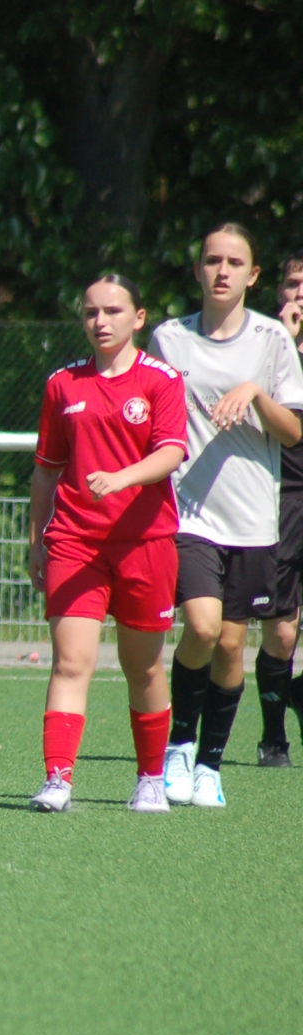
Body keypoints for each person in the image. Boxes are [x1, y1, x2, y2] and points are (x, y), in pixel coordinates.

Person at [147, 225, 303, 799]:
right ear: (198, 270)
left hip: (253, 519)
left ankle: (209, 767)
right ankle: (179, 746)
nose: (222, 270)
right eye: (212, 260)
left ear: (252, 275)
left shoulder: (271, 339)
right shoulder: (169, 339)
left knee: (232, 645)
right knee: (203, 627)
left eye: (235, 262)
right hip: (189, 515)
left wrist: (255, 394)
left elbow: (293, 432)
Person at [25, 276, 189, 814]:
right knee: (71, 663)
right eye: (91, 311)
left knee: (143, 667)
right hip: (75, 543)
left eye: (113, 311)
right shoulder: (62, 384)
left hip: (146, 543)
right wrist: (36, 540)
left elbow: (170, 452)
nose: (101, 321)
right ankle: (58, 779)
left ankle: (150, 778)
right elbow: (45, 471)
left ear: (138, 317)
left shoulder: (161, 380)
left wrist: (120, 478)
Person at [261, 249, 303, 760]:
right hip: (284, 498)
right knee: (282, 627)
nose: (300, 294)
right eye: (293, 284)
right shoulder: (267, 348)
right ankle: (273, 737)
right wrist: (287, 343)